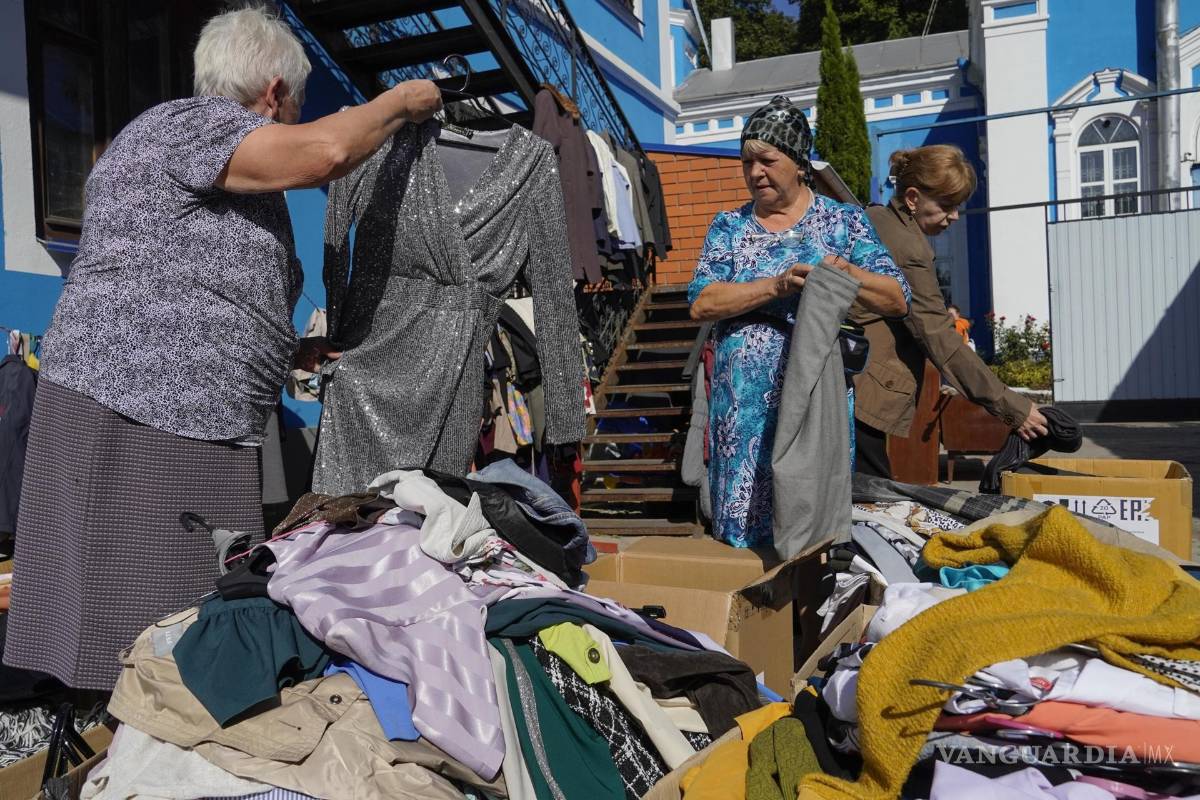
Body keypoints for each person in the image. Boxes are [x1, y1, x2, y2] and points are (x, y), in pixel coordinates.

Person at [2, 6, 442, 691]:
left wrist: (283, 348)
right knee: (153, 617)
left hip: (183, 414)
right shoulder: (191, 124)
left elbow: (199, 270)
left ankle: (157, 729)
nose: (295, 117)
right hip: (138, 406)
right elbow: (326, 153)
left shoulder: (214, 157)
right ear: (273, 92)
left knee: (193, 610)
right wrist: (400, 101)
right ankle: (140, 742)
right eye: (294, 104)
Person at [688, 96, 910, 549]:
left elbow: (895, 297)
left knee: (811, 523)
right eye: (746, 162)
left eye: (766, 160)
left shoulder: (843, 223)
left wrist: (843, 273)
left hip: (813, 405)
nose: (754, 173)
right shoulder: (728, 227)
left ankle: (806, 609)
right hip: (742, 415)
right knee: (742, 534)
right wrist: (777, 285)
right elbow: (702, 301)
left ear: (798, 162)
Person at [850, 145, 1049, 478]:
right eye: (946, 205)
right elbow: (939, 337)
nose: (954, 216)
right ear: (912, 198)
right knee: (870, 506)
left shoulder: (874, 218)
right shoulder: (908, 248)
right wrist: (1014, 408)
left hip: (846, 383)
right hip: (862, 394)